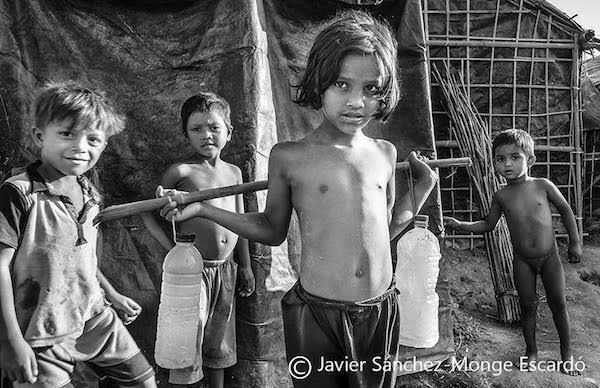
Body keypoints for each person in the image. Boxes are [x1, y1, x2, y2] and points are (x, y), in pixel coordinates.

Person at [159, 10, 437, 388]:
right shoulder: (289, 157)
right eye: (342, 84)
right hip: (317, 314)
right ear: (320, 82)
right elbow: (272, 231)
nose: (357, 101)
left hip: (379, 310)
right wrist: (204, 208)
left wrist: (421, 189)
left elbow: (386, 230)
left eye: (371, 88)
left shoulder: (385, 153)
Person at [0, 81, 157, 387]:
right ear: (39, 135)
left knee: (143, 382)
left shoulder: (89, 193)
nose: (81, 147)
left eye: (93, 139)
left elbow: (79, 257)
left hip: (92, 315)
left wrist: (112, 295)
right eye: (67, 134)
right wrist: (9, 341)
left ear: (104, 146)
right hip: (39, 330)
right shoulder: (19, 194)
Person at [444, 128, 582, 376]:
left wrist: (575, 242)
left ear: (530, 160)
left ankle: (567, 355)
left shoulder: (543, 185)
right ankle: (531, 352)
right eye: (500, 158)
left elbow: (566, 210)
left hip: (550, 258)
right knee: (527, 307)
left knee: (558, 304)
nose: (507, 163)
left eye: (515, 157)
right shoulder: (501, 195)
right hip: (523, 262)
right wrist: (461, 224)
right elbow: (488, 224)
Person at [144, 92, 255, 388]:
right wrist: (174, 251)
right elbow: (148, 214)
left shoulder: (234, 172)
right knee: (188, 339)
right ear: (186, 135)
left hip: (226, 269)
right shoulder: (180, 172)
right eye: (196, 129)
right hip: (191, 273)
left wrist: (244, 265)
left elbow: (241, 223)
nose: (206, 135)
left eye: (214, 128)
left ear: (228, 133)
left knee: (219, 340)